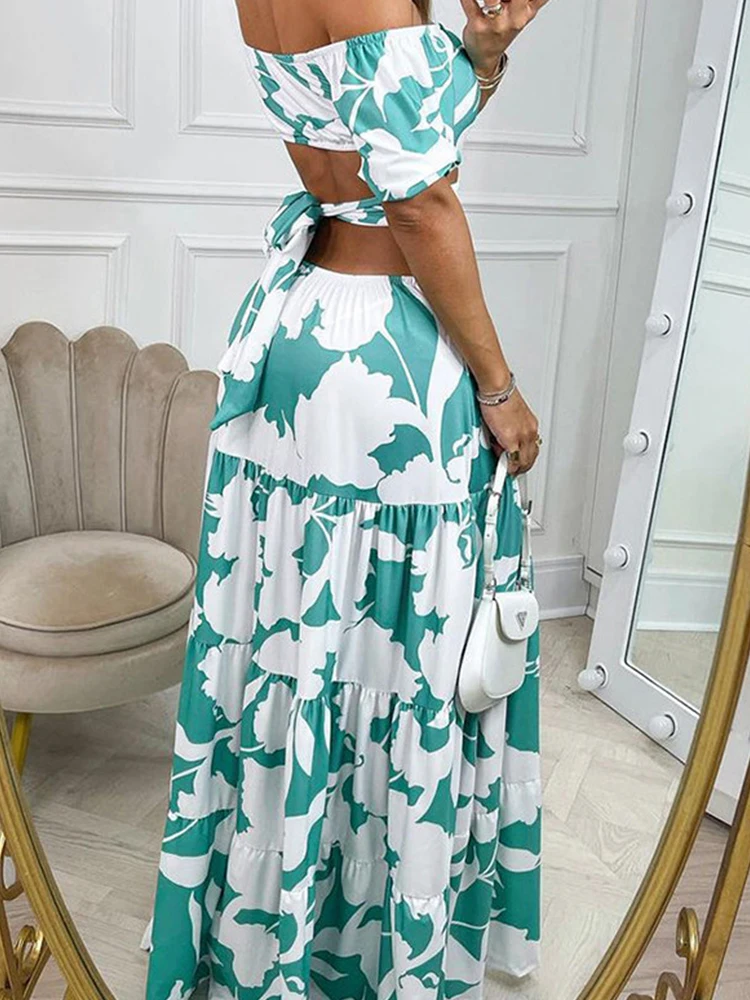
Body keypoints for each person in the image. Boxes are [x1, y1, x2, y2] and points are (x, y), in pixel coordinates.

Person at [143, 0, 548, 996]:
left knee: (299, 637)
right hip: (383, 355)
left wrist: (479, 59)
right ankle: (370, 944)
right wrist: (498, 386)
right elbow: (418, 203)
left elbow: (373, 144)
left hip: (301, 325)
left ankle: (277, 922)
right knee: (404, 652)